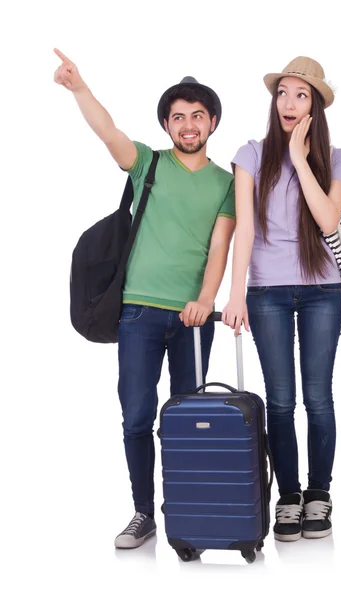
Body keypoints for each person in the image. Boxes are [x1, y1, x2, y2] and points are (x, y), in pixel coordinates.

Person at [53, 49, 236, 549]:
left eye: (197, 115)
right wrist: (79, 88)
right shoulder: (149, 164)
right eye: (178, 116)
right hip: (137, 312)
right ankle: (142, 512)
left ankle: (187, 509)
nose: (188, 124)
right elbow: (109, 132)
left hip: (193, 318)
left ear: (212, 122)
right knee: (137, 415)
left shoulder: (226, 183)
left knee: (187, 420)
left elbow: (221, 246)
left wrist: (205, 298)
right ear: (167, 124)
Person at [222, 56, 341, 542]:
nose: (289, 103)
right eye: (283, 93)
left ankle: (319, 493)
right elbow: (245, 228)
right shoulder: (251, 154)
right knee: (280, 400)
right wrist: (236, 295)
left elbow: (329, 221)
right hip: (266, 292)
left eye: (301, 95)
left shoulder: (334, 158)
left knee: (318, 397)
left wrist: (299, 156)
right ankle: (289, 497)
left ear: (315, 106)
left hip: (322, 291)